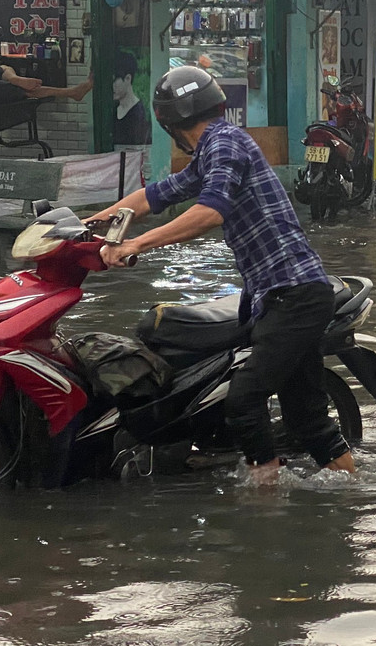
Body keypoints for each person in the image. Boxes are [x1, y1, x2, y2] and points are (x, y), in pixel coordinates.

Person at [90, 65, 354, 483]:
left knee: (244, 402)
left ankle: (263, 505)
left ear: (167, 122)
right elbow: (154, 196)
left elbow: (210, 211)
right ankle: (352, 494)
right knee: (309, 422)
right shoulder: (213, 149)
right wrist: (90, 226)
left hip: (294, 296)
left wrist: (136, 244)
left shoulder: (225, 143)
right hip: (286, 296)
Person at [111, 52, 151, 145]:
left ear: (128, 78)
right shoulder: (114, 109)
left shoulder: (138, 113)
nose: (111, 86)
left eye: (114, 80)